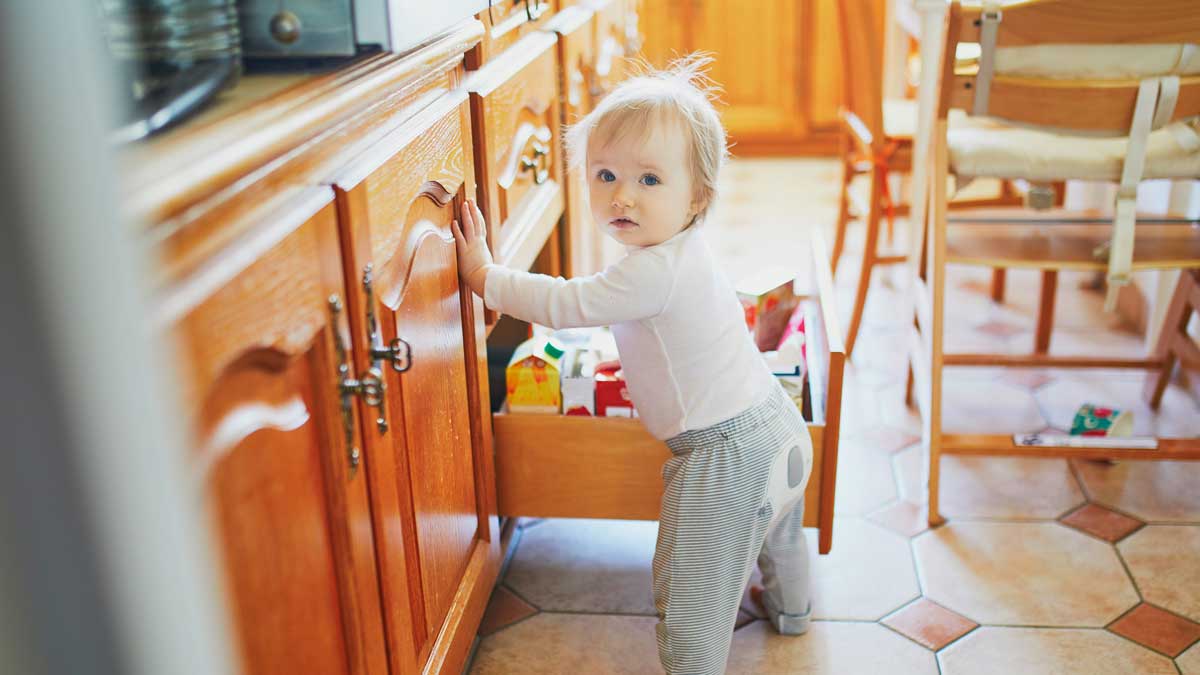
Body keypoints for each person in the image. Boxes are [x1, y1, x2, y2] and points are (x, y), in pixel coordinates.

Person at [452, 54, 813, 675]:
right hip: (777, 427)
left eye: (649, 180)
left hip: (722, 456)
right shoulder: (686, 248)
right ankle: (792, 609)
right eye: (605, 174)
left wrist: (484, 275)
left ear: (697, 195)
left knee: (691, 588)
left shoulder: (648, 271)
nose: (621, 195)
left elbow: (565, 303)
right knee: (778, 533)